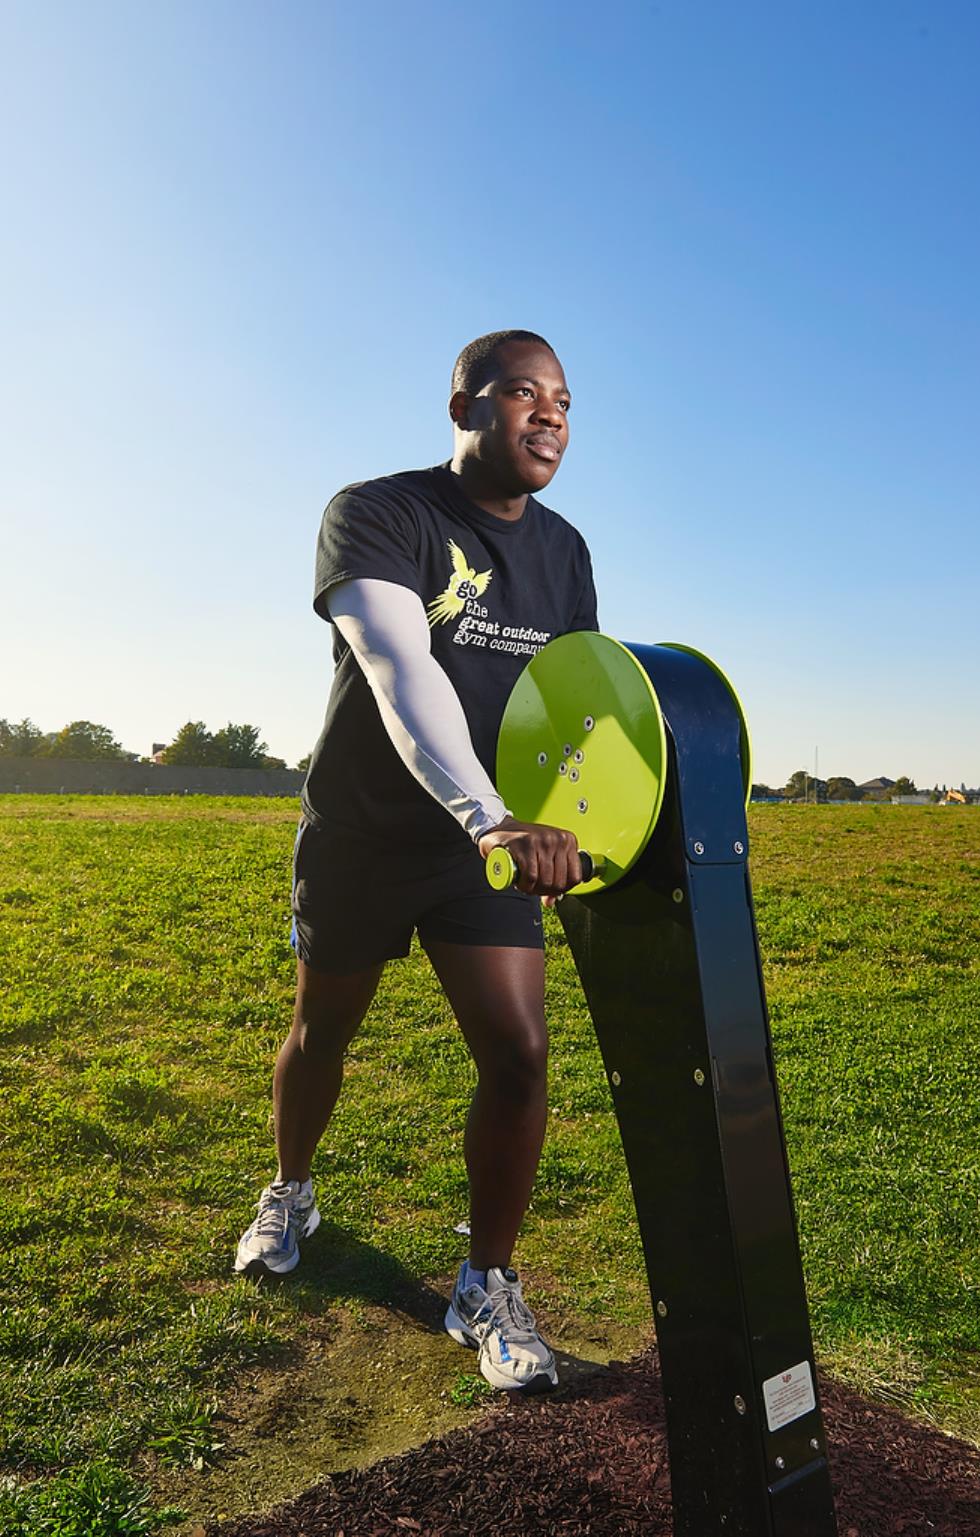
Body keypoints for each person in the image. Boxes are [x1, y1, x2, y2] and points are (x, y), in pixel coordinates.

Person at [234, 330, 598, 1394]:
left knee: (520, 1055)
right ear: (463, 404)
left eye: (565, 401)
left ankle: (484, 1280)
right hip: (364, 833)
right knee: (321, 1030)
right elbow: (401, 667)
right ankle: (291, 1188)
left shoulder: (565, 551)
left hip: (481, 850)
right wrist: (490, 816)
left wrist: (572, 819)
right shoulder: (377, 512)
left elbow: (573, 703)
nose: (549, 414)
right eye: (522, 392)